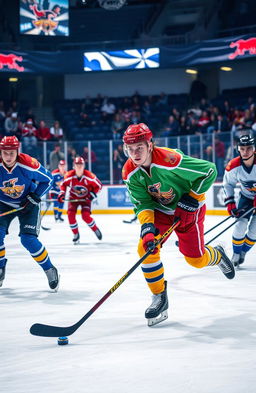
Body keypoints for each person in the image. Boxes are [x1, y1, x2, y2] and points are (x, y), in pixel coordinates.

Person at [122, 123, 235, 327]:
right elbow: (143, 203)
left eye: (139, 147)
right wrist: (147, 228)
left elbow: (209, 171)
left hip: (190, 209)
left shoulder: (169, 159)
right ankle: (159, 296)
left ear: (150, 145)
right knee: (145, 248)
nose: (135, 153)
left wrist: (192, 197)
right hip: (161, 212)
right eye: (130, 149)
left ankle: (217, 254)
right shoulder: (129, 171)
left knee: (196, 260)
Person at [0, 136, 59, 291]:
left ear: (17, 151)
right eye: (5, 153)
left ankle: (49, 269)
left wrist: (35, 196)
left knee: (28, 240)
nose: (8, 156)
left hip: (28, 203)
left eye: (11, 153)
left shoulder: (27, 164)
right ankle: (0, 267)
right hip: (3, 204)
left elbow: (49, 179)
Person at [223, 134, 256, 267]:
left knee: (254, 231)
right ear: (238, 149)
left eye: (248, 148)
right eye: (242, 149)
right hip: (246, 198)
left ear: (254, 149)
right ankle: (236, 254)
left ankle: (243, 253)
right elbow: (227, 184)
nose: (245, 152)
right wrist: (230, 203)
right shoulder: (233, 166)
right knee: (240, 226)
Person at [58, 156, 103, 244]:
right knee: (70, 215)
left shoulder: (90, 176)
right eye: (77, 164)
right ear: (73, 166)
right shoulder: (68, 175)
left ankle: (95, 229)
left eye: (81, 164)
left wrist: (92, 195)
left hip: (85, 199)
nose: (79, 166)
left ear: (84, 165)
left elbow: (99, 186)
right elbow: (63, 185)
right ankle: (76, 234)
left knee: (85, 216)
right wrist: (62, 194)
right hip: (73, 198)